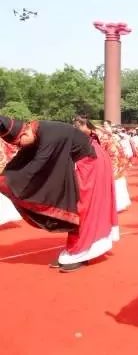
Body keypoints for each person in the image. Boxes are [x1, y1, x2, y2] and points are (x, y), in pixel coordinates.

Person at [0, 116, 118, 272]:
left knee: (84, 209)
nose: (19, 146)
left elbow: (37, 165)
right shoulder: (36, 130)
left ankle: (81, 252)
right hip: (84, 162)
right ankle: (76, 250)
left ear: (25, 132)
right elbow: (24, 158)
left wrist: (7, 181)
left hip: (92, 163)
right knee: (80, 208)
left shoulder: (49, 135)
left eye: (19, 142)